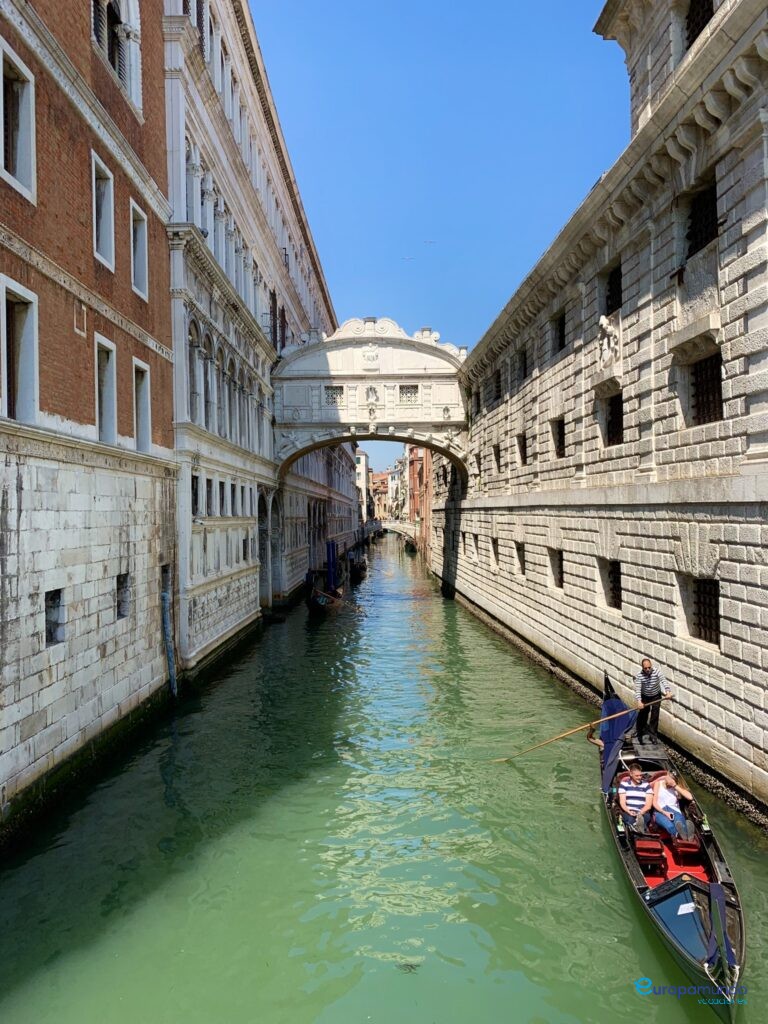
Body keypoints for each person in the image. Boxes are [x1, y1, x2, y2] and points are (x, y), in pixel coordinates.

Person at [634, 658, 672, 744]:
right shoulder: (639, 676)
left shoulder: (657, 672)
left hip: (656, 696)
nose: (647, 670)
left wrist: (668, 692)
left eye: (649, 667)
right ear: (642, 668)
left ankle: (653, 735)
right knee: (643, 713)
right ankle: (640, 730)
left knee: (655, 715)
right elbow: (638, 690)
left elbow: (663, 681)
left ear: (651, 666)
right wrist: (639, 701)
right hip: (645, 696)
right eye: (645, 668)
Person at [652, 770, 696, 840]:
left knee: (679, 823)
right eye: (669, 778)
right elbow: (654, 802)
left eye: (672, 779)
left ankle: (686, 835)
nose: (670, 781)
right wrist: (665, 813)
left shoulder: (676, 788)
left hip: (674, 811)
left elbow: (690, 797)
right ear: (667, 775)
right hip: (660, 811)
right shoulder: (658, 784)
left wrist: (675, 786)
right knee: (669, 826)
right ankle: (681, 836)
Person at [617, 762, 653, 833]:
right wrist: (628, 811)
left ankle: (638, 829)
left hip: (643, 812)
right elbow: (622, 802)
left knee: (642, 819)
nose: (639, 777)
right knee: (630, 819)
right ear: (631, 774)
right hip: (629, 811)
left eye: (640, 775)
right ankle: (640, 830)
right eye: (637, 776)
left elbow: (648, 805)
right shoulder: (624, 785)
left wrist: (640, 812)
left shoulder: (646, 786)